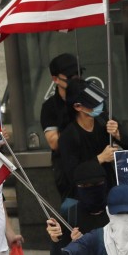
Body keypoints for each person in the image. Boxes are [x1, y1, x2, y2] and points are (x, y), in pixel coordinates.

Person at [39, 53, 81, 197]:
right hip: (68, 172)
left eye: (78, 74)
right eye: (69, 77)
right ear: (55, 79)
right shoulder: (50, 107)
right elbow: (54, 143)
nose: (75, 79)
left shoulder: (90, 96)